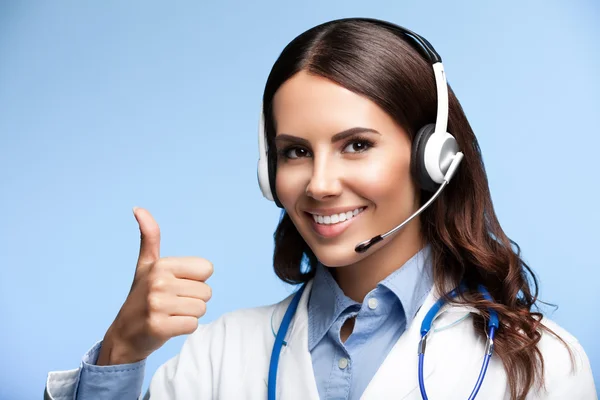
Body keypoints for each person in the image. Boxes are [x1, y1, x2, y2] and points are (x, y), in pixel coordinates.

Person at [45, 18, 596, 400]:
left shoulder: (541, 361)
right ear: (270, 171)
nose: (320, 184)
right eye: (295, 152)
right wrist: (121, 350)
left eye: (356, 144)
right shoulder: (219, 354)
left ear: (434, 158)